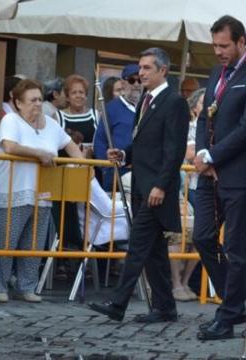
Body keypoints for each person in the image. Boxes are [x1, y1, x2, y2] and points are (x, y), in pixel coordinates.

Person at [88, 47, 189, 323]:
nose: (140, 73)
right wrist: (124, 154)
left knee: (137, 246)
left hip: (156, 189)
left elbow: (174, 150)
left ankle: (118, 304)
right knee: (154, 252)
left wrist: (161, 186)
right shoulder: (146, 99)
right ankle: (166, 308)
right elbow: (142, 142)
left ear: (162, 70)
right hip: (142, 185)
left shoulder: (174, 102)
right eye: (140, 67)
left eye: (146, 68)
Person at [192, 15, 246, 341]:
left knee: (236, 248)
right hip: (210, 174)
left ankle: (227, 317)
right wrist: (200, 153)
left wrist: (214, 155)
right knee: (202, 236)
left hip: (238, 175)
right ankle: (233, 302)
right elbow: (203, 116)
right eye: (215, 45)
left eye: (224, 45)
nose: (219, 51)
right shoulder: (217, 72)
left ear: (241, 42)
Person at [0, 79, 84, 303]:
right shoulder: (11, 120)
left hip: (42, 192)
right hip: (13, 190)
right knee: (6, 242)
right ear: (18, 103)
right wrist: (38, 154)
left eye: (40, 99)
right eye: (32, 100)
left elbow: (69, 144)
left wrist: (81, 163)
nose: (38, 104)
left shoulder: (50, 124)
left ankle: (27, 287)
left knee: (34, 243)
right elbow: (9, 146)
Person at [169, 87, 207, 302]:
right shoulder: (189, 127)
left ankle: (184, 282)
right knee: (177, 234)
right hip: (185, 189)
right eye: (203, 103)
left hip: (205, 189)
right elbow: (191, 154)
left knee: (201, 238)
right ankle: (175, 283)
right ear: (194, 109)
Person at [94, 64, 141, 191]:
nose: (136, 84)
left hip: (142, 172)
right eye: (132, 80)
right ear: (123, 83)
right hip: (117, 173)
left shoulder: (147, 108)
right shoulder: (111, 108)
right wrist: (106, 168)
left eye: (140, 80)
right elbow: (100, 141)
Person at [56, 74, 99, 158]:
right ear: (68, 97)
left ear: (86, 96)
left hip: (90, 166)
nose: (78, 96)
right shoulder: (58, 117)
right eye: (74, 92)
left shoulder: (96, 115)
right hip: (65, 167)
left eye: (81, 92)